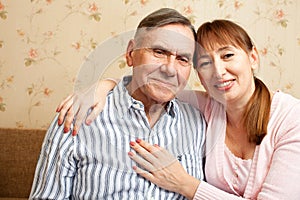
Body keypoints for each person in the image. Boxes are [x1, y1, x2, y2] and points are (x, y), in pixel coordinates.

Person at [56, 19, 300, 199]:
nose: (218, 71)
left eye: (227, 55)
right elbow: (148, 85)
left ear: (253, 57)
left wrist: (186, 185)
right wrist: (102, 86)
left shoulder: (291, 118)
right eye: (205, 63)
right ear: (199, 76)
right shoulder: (205, 108)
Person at [30, 8, 206, 199]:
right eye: (159, 52)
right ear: (131, 53)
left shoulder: (198, 122)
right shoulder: (77, 115)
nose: (170, 69)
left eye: (183, 59)